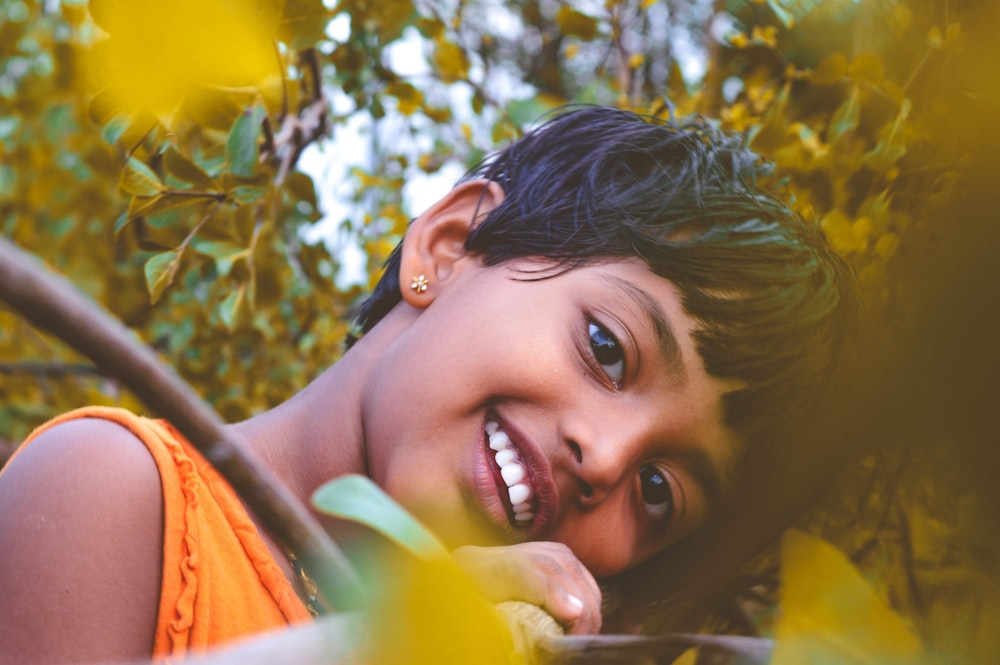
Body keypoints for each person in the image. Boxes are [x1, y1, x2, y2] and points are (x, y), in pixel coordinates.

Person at [0, 106, 857, 664]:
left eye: (661, 491)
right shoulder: (114, 492)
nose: (605, 456)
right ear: (446, 247)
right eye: (607, 346)